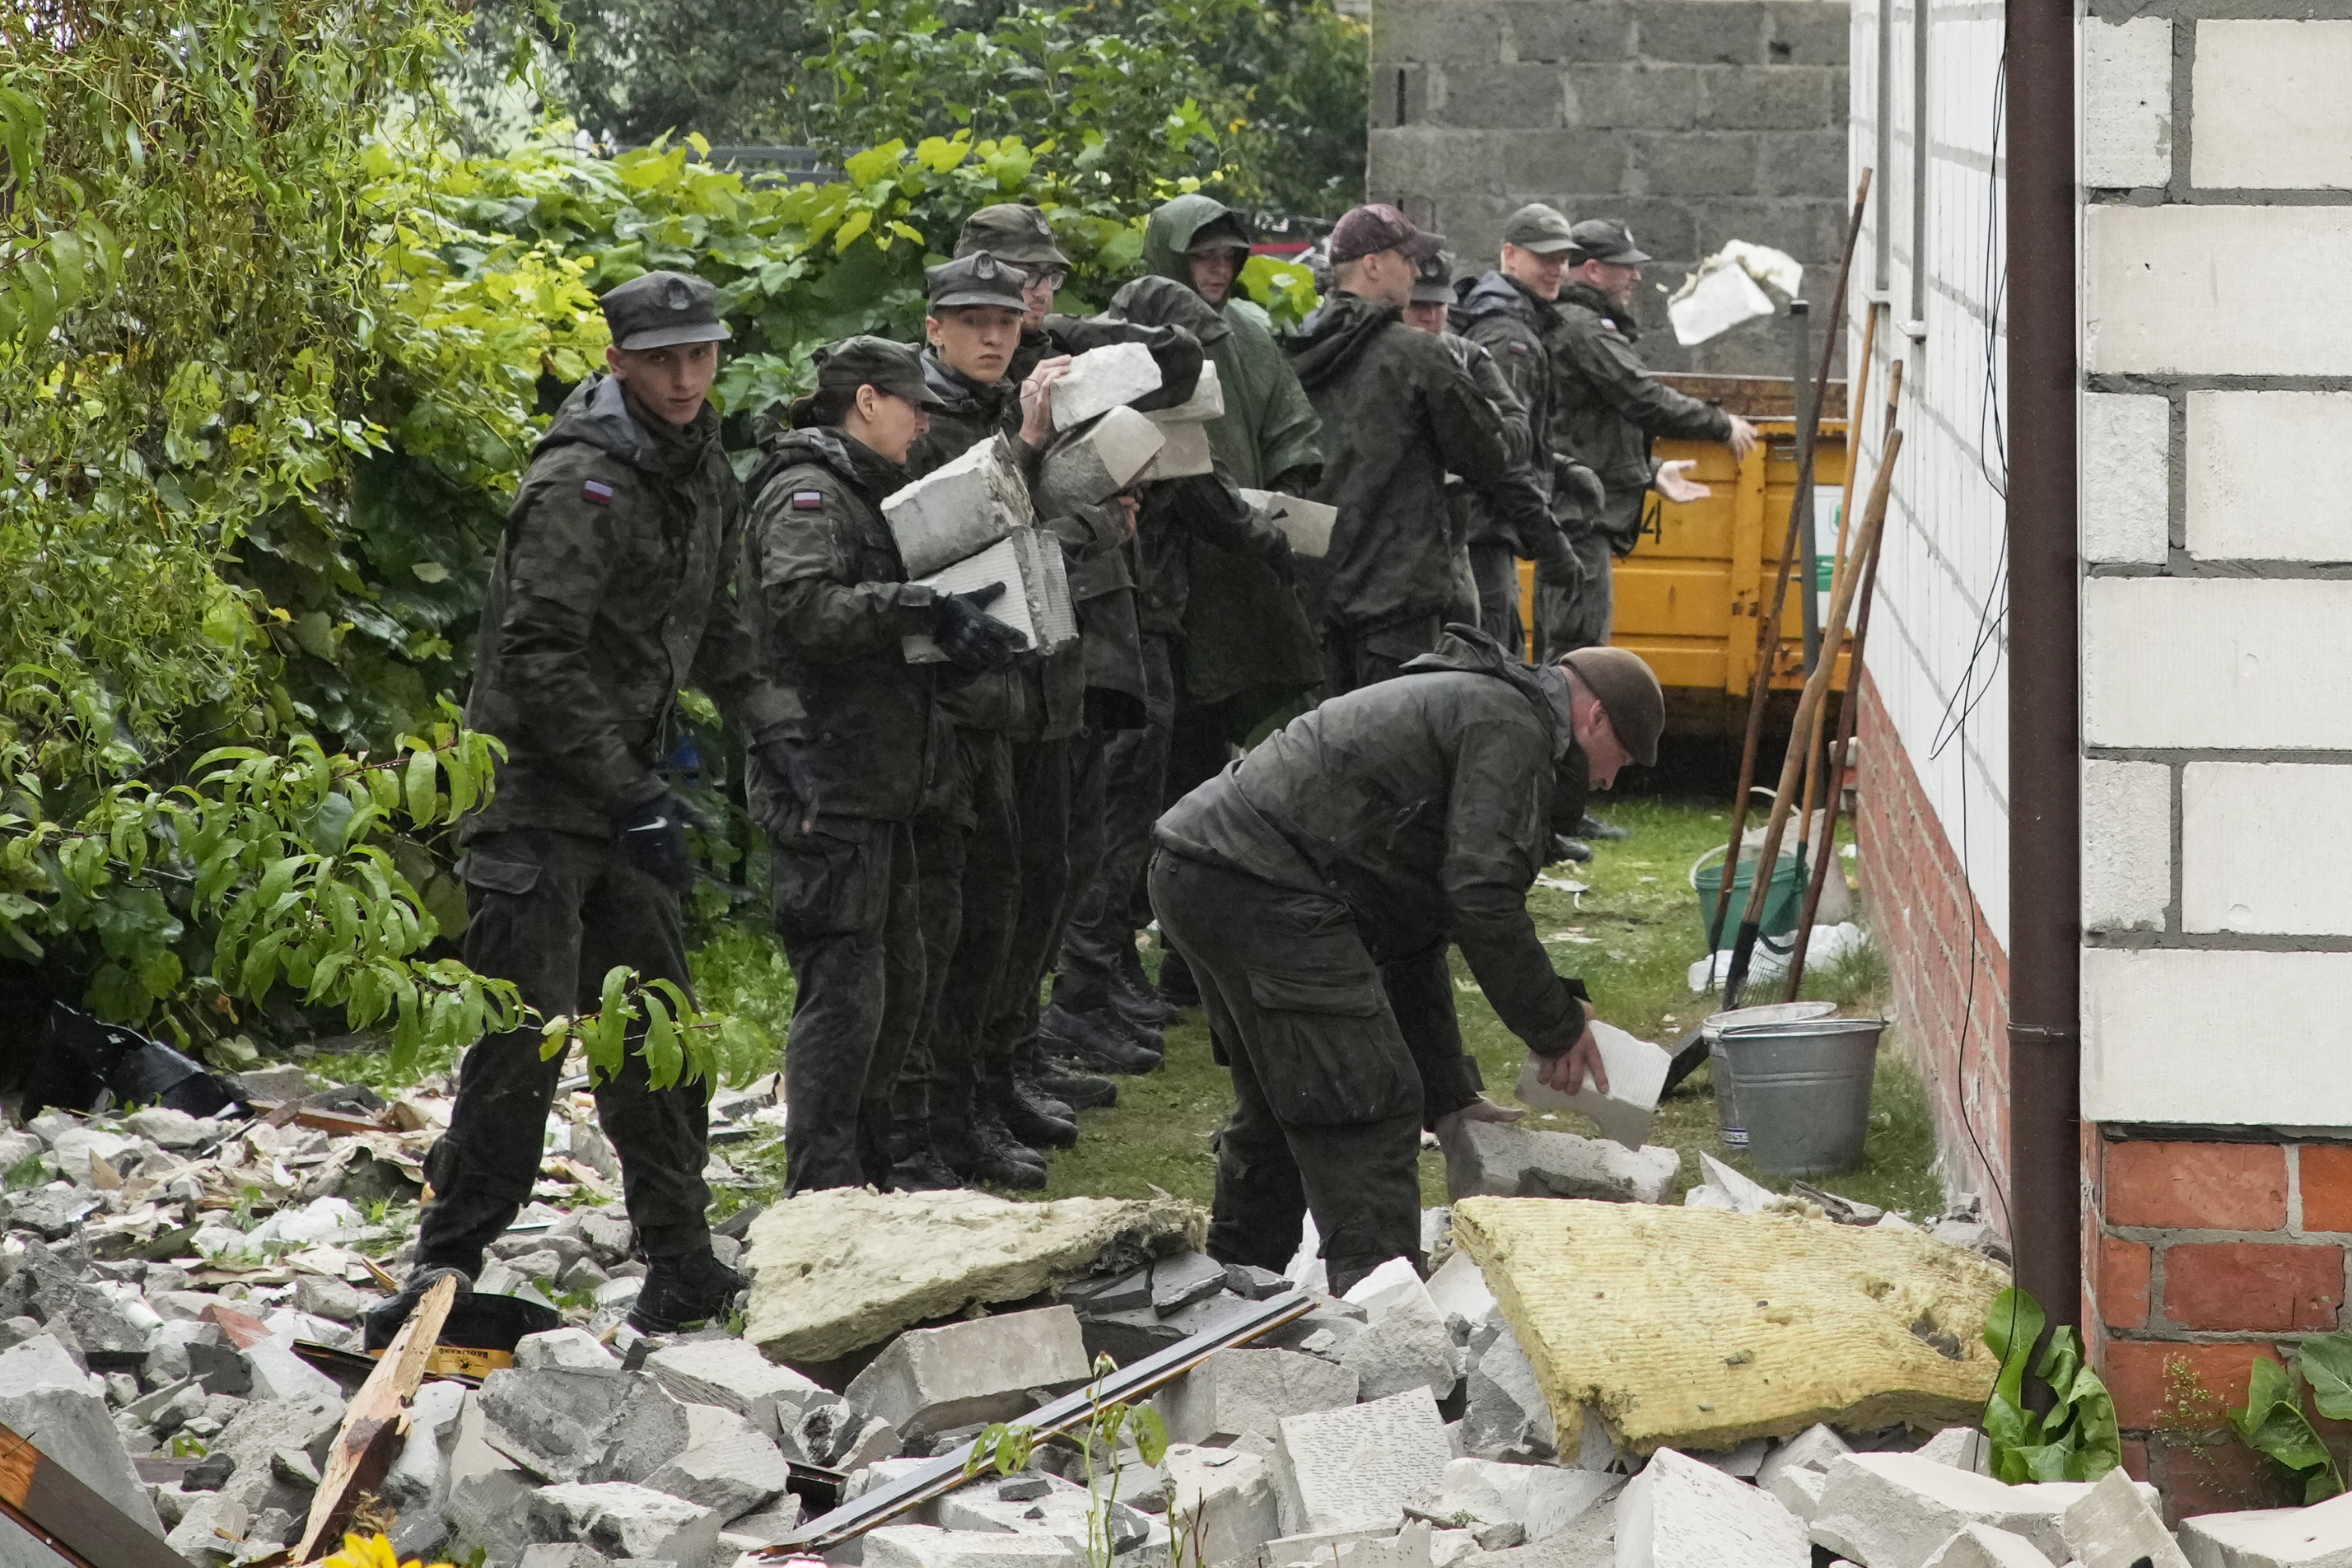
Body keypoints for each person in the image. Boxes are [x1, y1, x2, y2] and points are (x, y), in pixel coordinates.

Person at [371, 271, 802, 1341]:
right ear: (618, 362)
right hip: (533, 803)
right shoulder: (583, 482)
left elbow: (723, 627)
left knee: (658, 1033)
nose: (686, 376)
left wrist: (781, 730)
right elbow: (538, 655)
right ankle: (446, 1267)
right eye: (663, 359)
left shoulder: (702, 468)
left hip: (623, 799)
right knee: (525, 1041)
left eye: (701, 355)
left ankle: (683, 1258)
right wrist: (634, 791)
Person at [1149, 628, 1665, 1295]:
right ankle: (1384, 1326)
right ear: (1596, 717)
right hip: (1263, 879)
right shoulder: (1512, 728)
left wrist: (1451, 1096)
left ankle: (1232, 1297)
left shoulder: (1481, 706)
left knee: (1291, 1098)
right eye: (1617, 761)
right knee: (1368, 1100)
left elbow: (1416, 931)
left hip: (1208, 864)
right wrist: (1557, 1026)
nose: (1604, 780)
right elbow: (1483, 898)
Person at [740, 337, 1023, 1195]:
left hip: (879, 782)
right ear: (867, 401)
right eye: (911, 404)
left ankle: (863, 1172)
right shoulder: (809, 494)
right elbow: (804, 610)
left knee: (897, 983)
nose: (924, 420)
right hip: (827, 781)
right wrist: (922, 607)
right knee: (846, 993)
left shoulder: (861, 493)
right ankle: (821, 1187)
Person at [1043, 277, 1297, 1068]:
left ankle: (1106, 974)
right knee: (1113, 821)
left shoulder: (1106, 408)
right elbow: (1218, 507)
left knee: (1118, 819)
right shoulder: (1127, 412)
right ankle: (1084, 991)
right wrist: (1278, 538)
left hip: (1138, 627)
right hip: (1129, 632)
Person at [1136, 194, 1325, 1013]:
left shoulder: (1246, 332)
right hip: (1162, 587)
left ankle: (1198, 959)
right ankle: (1153, 960)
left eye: (1227, 257)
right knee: (1160, 778)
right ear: (1171, 258)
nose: (1216, 270)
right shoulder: (1136, 336)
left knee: (1233, 767)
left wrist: (1285, 502)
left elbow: (1292, 431)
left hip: (1239, 583)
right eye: (1201, 257)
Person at [1283, 204, 1557, 693]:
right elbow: (1489, 454)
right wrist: (1513, 416)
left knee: (1326, 754)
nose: (1416, 270)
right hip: (1396, 604)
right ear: (1372, 265)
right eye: (1406, 258)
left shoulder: (1293, 350)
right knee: (1396, 755)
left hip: (1314, 598)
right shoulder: (1419, 356)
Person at [1548, 217, 1760, 653]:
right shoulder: (1582, 329)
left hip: (1581, 510)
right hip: (1579, 516)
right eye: (1626, 266)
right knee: (1577, 655)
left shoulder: (1578, 324)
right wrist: (1721, 425)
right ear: (1592, 270)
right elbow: (1641, 396)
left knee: (1577, 648)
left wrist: (1651, 470)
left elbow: (1591, 428)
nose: (1637, 276)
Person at [1448, 203, 1608, 659]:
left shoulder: (1515, 322)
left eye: (1563, 258)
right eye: (1545, 258)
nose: (1557, 269)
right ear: (1510, 255)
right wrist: (1551, 542)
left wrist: (1558, 466)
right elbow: (1498, 452)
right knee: (1493, 663)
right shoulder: (1508, 336)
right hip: (1484, 532)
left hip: (1484, 527)